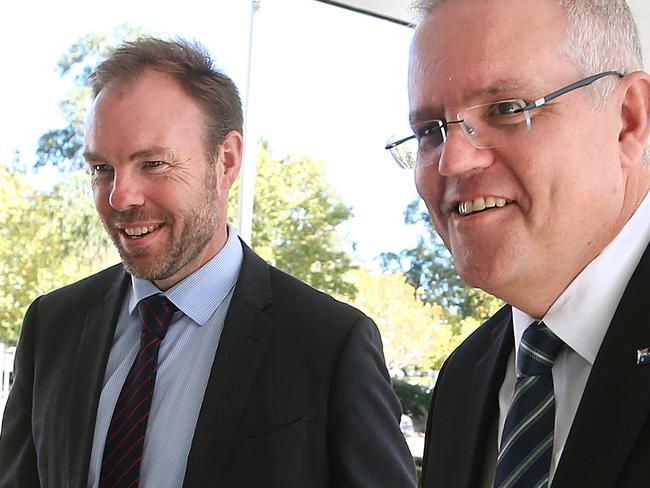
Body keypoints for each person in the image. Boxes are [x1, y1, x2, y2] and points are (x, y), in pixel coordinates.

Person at [0, 37, 417, 488]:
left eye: (153, 163)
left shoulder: (328, 344)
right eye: (102, 168)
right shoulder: (53, 326)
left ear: (227, 160)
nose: (120, 196)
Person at [385, 0, 650, 486]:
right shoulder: (463, 380)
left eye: (507, 110)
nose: (454, 160)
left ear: (628, 120)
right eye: (429, 131)